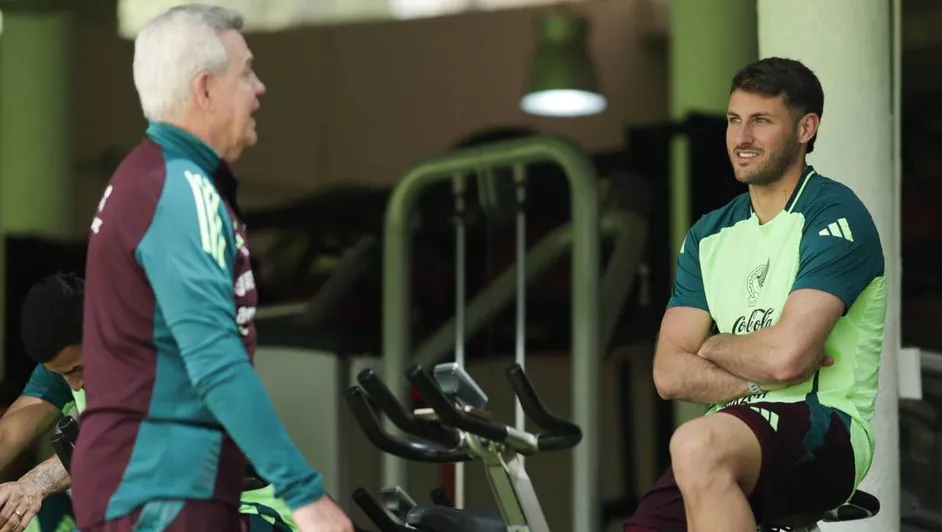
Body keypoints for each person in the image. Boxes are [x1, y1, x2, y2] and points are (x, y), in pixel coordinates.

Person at [70, 4, 352, 532]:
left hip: (153, 488)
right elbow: (216, 361)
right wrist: (304, 493)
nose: (259, 88)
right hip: (160, 493)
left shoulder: (152, 179)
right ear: (204, 89)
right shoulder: (179, 190)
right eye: (245, 73)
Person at [624, 57, 888, 532]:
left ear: (806, 128)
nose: (741, 137)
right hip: (730, 433)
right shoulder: (708, 235)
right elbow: (668, 372)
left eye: (761, 120)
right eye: (733, 120)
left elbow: (786, 359)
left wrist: (711, 347)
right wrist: (752, 376)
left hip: (825, 423)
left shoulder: (834, 214)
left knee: (694, 443)